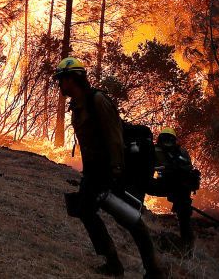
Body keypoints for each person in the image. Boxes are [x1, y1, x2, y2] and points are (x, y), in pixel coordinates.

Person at [56, 57, 162, 278]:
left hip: (110, 171)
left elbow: (114, 137)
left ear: (73, 78)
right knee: (84, 209)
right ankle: (113, 263)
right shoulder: (77, 105)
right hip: (94, 171)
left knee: (130, 220)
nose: (59, 85)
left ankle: (153, 270)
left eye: (62, 79)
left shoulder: (98, 101)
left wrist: (116, 171)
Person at [147, 128, 197, 253]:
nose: (167, 142)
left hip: (174, 187)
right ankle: (187, 244)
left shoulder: (156, 151)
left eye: (169, 139)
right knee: (184, 216)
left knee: (184, 216)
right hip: (179, 189)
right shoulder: (182, 152)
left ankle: (187, 245)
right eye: (166, 139)